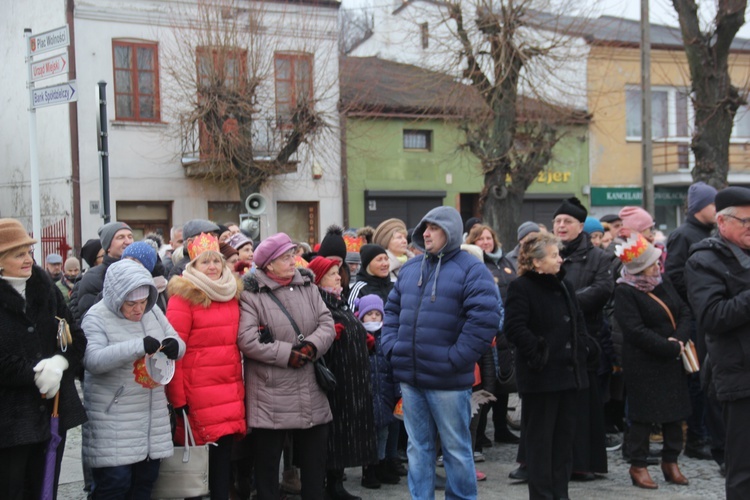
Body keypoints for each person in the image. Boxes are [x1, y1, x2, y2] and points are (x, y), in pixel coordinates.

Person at [382, 206, 501, 499]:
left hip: (448, 380)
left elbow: (487, 318)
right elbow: (392, 312)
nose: (425, 233)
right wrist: (392, 348)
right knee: (418, 448)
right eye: (424, 227)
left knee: (456, 449)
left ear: (448, 231)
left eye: (433, 228)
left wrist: (456, 358)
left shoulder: (471, 269)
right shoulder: (411, 268)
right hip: (411, 379)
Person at [238, 233, 335, 500]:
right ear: (268, 264)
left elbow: (326, 324)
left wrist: (312, 347)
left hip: (310, 386)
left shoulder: (307, 285)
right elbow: (247, 339)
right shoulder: (251, 294)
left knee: (315, 464)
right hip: (271, 392)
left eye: (292, 254)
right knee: (268, 467)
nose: (293, 260)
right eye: (285, 256)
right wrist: (286, 354)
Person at [81, 259, 185, 499]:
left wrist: (173, 347)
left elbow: (177, 341)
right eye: (131, 304)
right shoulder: (96, 317)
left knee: (144, 484)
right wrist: (137, 346)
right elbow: (92, 360)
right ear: (118, 298)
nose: (139, 309)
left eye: (143, 302)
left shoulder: (153, 311)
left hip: (151, 419)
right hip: (114, 419)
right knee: (114, 486)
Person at [0, 219, 87, 499]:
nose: (28, 259)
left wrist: (60, 364)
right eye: (18, 254)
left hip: (52, 412)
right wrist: (35, 373)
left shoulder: (45, 288)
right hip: (10, 421)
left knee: (45, 489)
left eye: (28, 252)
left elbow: (76, 337)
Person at [504, 232, 593, 500]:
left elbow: (577, 322)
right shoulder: (522, 287)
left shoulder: (563, 285)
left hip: (568, 375)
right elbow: (514, 328)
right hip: (541, 378)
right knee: (540, 445)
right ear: (536, 262)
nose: (560, 260)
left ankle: (560, 494)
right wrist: (539, 352)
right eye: (554, 255)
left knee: (564, 444)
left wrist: (586, 348)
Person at [166, 233, 246, 500]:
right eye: (205, 262)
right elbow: (172, 352)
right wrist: (178, 400)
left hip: (228, 392)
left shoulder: (232, 294)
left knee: (223, 465)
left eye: (216, 261)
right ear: (193, 265)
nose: (212, 266)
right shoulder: (183, 297)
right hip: (197, 395)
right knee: (197, 470)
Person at [685, 186, 750, 500]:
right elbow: (712, 316)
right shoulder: (703, 260)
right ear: (722, 223)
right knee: (743, 468)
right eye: (745, 221)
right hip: (739, 378)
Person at [613, 233, 691, 489]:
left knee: (675, 412)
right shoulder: (625, 289)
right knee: (643, 416)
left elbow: (684, 312)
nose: (659, 265)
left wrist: (678, 341)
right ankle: (638, 465)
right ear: (640, 265)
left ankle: (671, 461)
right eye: (654, 261)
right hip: (643, 362)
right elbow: (634, 330)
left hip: (671, 358)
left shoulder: (662, 281)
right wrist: (667, 346)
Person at [307, 256, 379, 499]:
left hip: (352, 379)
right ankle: (331, 485)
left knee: (347, 430)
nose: (339, 277)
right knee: (335, 433)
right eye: (332, 274)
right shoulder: (319, 302)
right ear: (319, 278)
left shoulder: (339, 301)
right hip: (335, 380)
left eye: (338, 272)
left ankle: (336, 482)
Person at [553, 197, 612, 480]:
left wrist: (563, 302)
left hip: (584, 339)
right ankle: (537, 462)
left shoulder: (599, 257)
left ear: (580, 226)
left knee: (582, 406)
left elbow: (602, 290)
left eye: (567, 222)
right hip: (550, 341)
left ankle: (582, 463)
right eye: (557, 221)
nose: (561, 226)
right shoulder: (547, 251)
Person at [665, 181, 720, 464]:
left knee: (709, 379)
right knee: (698, 379)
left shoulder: (706, 233)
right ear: (700, 208)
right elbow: (673, 276)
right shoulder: (684, 235)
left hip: (705, 316)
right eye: (714, 205)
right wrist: (696, 300)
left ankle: (706, 434)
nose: (718, 210)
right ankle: (697, 438)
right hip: (694, 318)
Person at [464, 224, 518, 446]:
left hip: (505, 327)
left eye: (488, 238)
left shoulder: (504, 261)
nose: (486, 242)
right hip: (490, 331)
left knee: (504, 383)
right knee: (486, 383)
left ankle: (501, 427)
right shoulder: (475, 264)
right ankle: (479, 432)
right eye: (480, 239)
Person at [355, 294, 401, 489]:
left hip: (384, 393)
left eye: (377, 314)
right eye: (369, 314)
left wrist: (397, 391)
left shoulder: (386, 336)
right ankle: (369, 469)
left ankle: (381, 463)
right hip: (365, 394)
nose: (373, 318)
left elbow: (395, 365)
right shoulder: (358, 337)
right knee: (368, 435)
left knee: (383, 432)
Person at [70, 221, 134, 323]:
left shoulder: (140, 270)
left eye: (130, 237)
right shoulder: (92, 278)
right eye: (120, 237)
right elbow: (89, 318)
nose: (128, 241)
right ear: (107, 247)